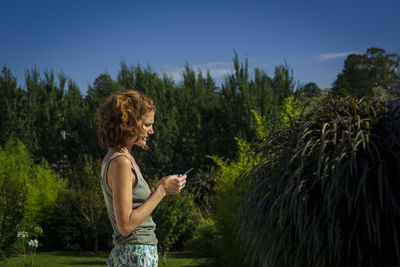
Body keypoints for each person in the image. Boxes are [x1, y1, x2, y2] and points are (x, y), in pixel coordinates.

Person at [97, 89, 187, 266]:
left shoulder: (120, 159)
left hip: (135, 253)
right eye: (146, 125)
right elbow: (126, 225)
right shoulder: (120, 163)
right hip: (135, 254)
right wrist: (161, 191)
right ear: (128, 124)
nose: (151, 131)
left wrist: (158, 187)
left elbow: (134, 207)